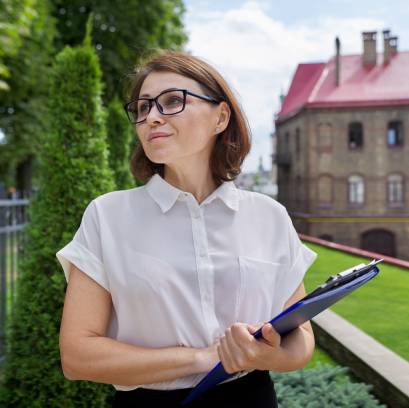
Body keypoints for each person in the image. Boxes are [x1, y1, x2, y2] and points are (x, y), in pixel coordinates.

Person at [56, 50, 317, 407]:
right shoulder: (107, 216)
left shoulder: (269, 216)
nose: (151, 117)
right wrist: (205, 358)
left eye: (172, 101)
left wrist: (260, 355)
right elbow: (77, 356)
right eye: (143, 107)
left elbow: (300, 338)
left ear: (221, 117)